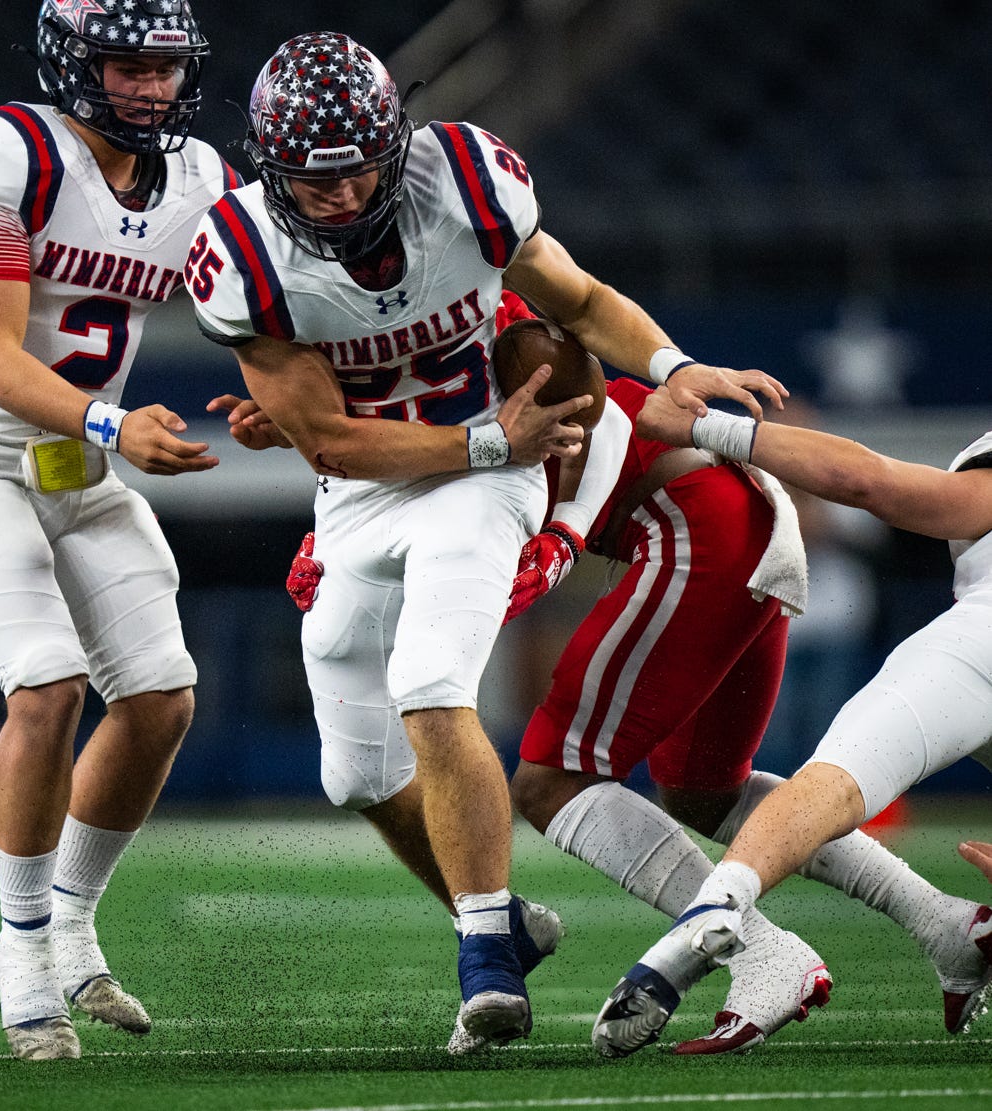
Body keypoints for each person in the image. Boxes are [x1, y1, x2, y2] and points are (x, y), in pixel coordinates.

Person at [188, 31, 785, 1052]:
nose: (336, 198)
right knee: (354, 772)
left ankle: (484, 959)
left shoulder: (467, 184)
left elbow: (585, 304)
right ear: (267, 165)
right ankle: (508, 922)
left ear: (397, 141)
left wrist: (671, 363)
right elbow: (330, 434)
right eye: (310, 180)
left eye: (356, 171)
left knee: (430, 680)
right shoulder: (239, 254)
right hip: (374, 479)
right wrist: (446, 435)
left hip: (489, 474)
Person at [497, 296, 990, 1055]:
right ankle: (945, 924)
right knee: (702, 786)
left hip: (696, 518)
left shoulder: (441, 340)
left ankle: (761, 952)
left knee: (548, 778)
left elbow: (562, 352)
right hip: (747, 516)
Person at [0, 0, 234, 1061]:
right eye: (125, 63)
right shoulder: (11, 149)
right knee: (46, 680)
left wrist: (281, 395)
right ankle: (22, 944)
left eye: (165, 65)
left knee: (162, 695)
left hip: (76, 471)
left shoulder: (201, 178)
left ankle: (74, 921)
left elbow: (260, 309)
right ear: (72, 61)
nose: (149, 86)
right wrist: (113, 419)